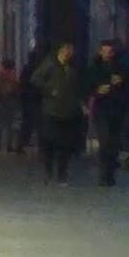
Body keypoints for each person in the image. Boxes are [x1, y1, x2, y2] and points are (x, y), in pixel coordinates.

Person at [85, 37, 129, 186]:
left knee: (113, 142)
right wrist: (97, 91)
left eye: (110, 52)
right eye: (105, 51)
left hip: (117, 109)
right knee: (105, 141)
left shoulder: (123, 66)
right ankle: (104, 174)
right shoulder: (94, 67)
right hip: (101, 109)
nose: (107, 55)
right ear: (100, 51)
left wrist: (123, 82)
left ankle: (109, 172)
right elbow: (86, 85)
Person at [33, 42, 84, 183]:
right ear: (61, 51)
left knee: (65, 143)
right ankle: (49, 170)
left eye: (71, 49)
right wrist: (50, 89)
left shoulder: (73, 67)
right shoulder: (50, 64)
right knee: (50, 140)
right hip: (52, 110)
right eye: (67, 49)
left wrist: (80, 104)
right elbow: (36, 79)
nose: (70, 52)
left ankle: (62, 172)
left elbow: (78, 87)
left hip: (69, 111)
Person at [0, 56, 21, 153]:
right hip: (10, 102)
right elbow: (17, 89)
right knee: (10, 125)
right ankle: (9, 146)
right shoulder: (13, 76)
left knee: (0, 126)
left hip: (0, 102)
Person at [17, 45, 45, 153]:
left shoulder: (26, 68)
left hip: (26, 99)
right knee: (38, 123)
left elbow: (22, 83)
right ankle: (41, 146)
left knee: (26, 123)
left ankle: (21, 144)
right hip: (35, 99)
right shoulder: (37, 69)